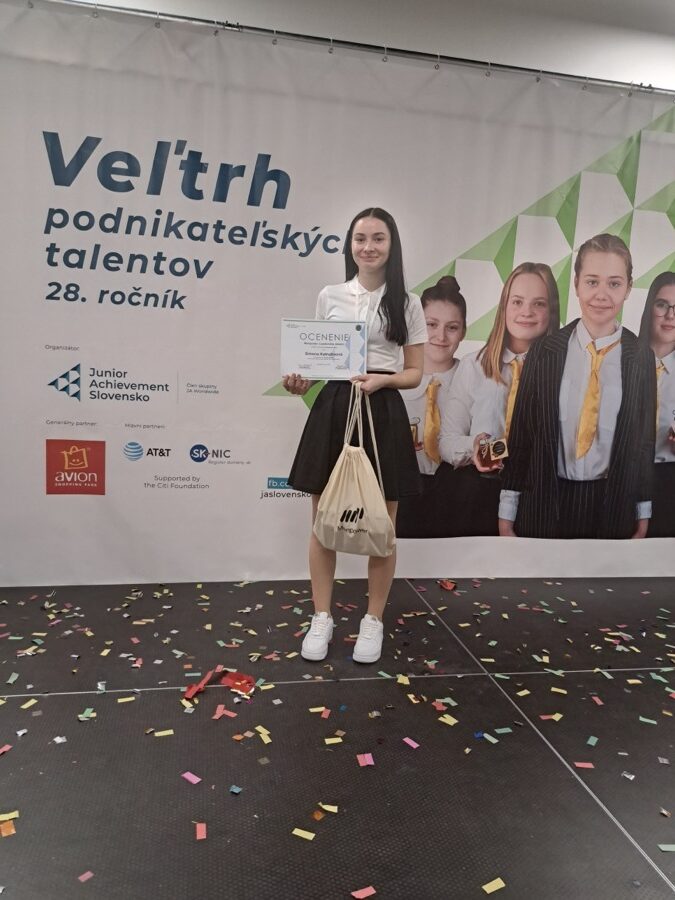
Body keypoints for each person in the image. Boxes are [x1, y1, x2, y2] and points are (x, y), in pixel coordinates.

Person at [284, 207, 426, 663]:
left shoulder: (408, 302)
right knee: (323, 520)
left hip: (382, 409)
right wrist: (300, 381)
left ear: (392, 245)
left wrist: (384, 379)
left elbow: (415, 373)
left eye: (378, 238)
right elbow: (316, 364)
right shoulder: (330, 296)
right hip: (334, 407)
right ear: (350, 245)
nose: (368, 247)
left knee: (382, 525)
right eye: (360, 238)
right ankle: (321, 617)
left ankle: (373, 621)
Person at [500, 233, 656, 539]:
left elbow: (643, 443)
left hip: (613, 506)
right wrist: (507, 511)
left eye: (614, 283)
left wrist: (643, 511)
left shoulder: (641, 357)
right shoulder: (544, 352)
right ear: (576, 284)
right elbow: (522, 436)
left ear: (628, 288)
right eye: (592, 281)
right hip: (545, 503)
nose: (601, 294)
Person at [437, 262, 559, 535]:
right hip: (479, 493)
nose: (526, 312)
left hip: (536, 496)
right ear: (504, 307)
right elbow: (447, 440)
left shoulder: (564, 371)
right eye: (517, 302)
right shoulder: (473, 366)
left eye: (539, 303)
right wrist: (475, 448)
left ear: (551, 310)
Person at [397, 276, 467, 538]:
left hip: (457, 501)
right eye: (431, 325)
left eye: (452, 327)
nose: (441, 336)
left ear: (463, 332)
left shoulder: (474, 379)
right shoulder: (392, 380)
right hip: (402, 499)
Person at [639, 271, 675, 537]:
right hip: (623, 480)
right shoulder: (621, 361)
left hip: (669, 484)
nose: (670, 315)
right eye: (662, 305)